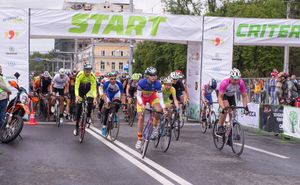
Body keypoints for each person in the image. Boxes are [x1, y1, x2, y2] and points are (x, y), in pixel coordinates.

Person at [135, 67, 166, 150]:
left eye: (155, 75)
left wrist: (164, 108)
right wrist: (141, 104)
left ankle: (155, 128)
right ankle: (139, 139)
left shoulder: (158, 84)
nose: (153, 77)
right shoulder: (142, 82)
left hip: (152, 97)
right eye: (151, 75)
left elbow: (160, 98)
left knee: (159, 110)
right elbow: (138, 96)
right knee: (141, 117)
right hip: (142, 99)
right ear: (147, 76)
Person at [217, 68, 249, 142]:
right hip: (223, 94)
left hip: (231, 95)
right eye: (234, 79)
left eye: (237, 79)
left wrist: (245, 107)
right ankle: (220, 126)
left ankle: (230, 129)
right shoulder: (225, 82)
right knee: (226, 109)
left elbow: (244, 96)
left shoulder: (241, 83)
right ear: (230, 77)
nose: (236, 81)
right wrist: (223, 108)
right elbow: (220, 97)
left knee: (233, 111)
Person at [73, 64, 97, 136]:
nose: (88, 72)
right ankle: (76, 127)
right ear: (84, 70)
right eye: (86, 70)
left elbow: (93, 88)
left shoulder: (92, 76)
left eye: (89, 70)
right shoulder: (80, 74)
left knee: (90, 101)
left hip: (88, 90)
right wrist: (77, 96)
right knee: (78, 109)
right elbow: (76, 87)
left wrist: (95, 98)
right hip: (80, 90)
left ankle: (88, 116)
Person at [101, 71, 126, 136]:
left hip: (116, 94)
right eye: (111, 79)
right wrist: (106, 102)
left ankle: (114, 114)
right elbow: (104, 94)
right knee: (107, 108)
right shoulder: (106, 84)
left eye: (114, 79)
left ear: (116, 78)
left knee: (117, 103)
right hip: (108, 95)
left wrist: (123, 102)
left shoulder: (119, 84)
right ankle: (104, 127)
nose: (113, 80)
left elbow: (123, 94)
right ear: (109, 78)